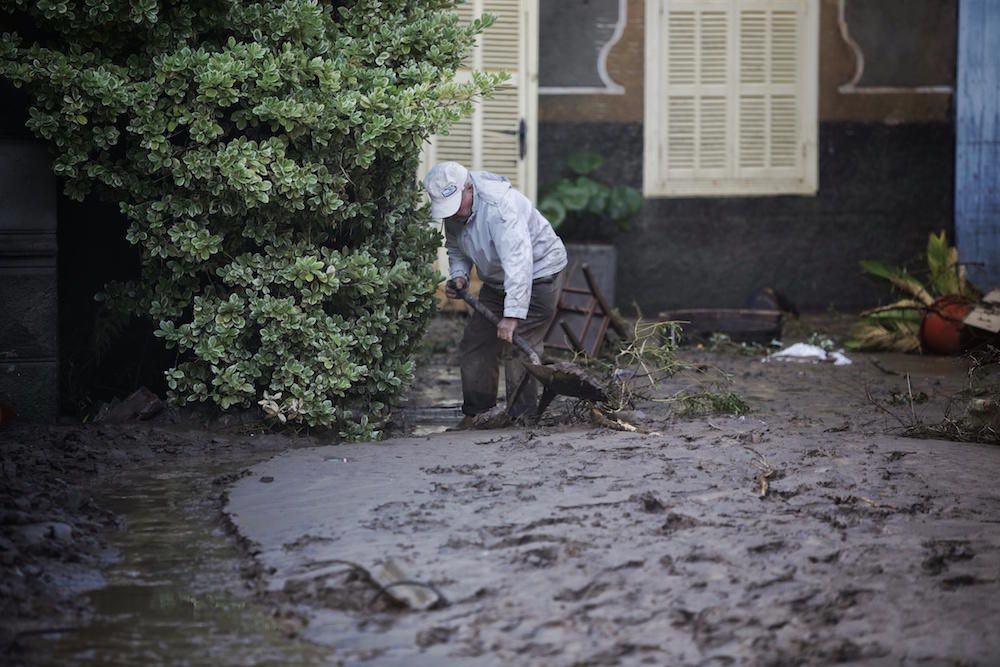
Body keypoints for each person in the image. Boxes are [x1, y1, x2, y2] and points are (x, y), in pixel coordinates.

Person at [422, 161, 567, 425]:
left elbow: (519, 265)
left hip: (539, 274)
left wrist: (512, 316)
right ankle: (477, 413)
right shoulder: (457, 210)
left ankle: (522, 418)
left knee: (518, 345)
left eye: (456, 206)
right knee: (477, 341)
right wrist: (460, 276)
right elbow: (456, 246)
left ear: (469, 188)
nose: (454, 214)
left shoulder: (501, 208)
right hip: (500, 280)